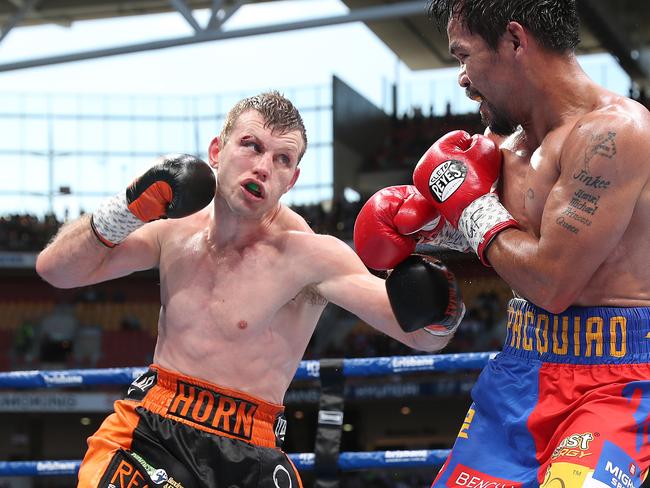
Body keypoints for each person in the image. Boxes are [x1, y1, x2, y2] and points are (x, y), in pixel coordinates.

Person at [36, 91, 464, 488]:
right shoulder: (173, 232)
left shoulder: (311, 255)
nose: (263, 166)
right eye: (252, 146)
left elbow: (424, 337)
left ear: (291, 179)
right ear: (216, 152)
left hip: (250, 450)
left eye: (282, 159)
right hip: (151, 430)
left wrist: (436, 298)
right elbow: (58, 270)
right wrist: (128, 208)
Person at [353, 1, 650, 486]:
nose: (462, 79)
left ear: (514, 40)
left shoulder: (615, 133)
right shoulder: (499, 152)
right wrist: (423, 228)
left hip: (614, 384)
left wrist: (466, 207)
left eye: (463, 56)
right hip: (521, 373)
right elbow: (509, 241)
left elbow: (552, 283)